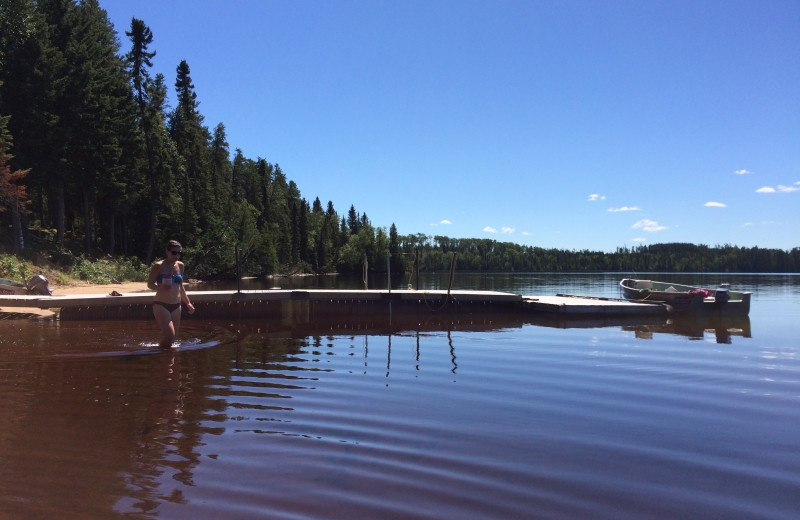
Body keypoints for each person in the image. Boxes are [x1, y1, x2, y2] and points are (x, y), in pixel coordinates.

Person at [147, 240, 195, 348]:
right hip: (161, 304)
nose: (177, 255)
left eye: (179, 253)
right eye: (174, 252)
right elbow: (150, 284)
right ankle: (157, 353)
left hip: (176, 306)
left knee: (172, 339)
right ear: (167, 252)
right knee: (170, 336)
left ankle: (165, 360)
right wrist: (161, 287)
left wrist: (188, 303)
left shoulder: (181, 265)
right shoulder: (158, 266)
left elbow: (181, 287)